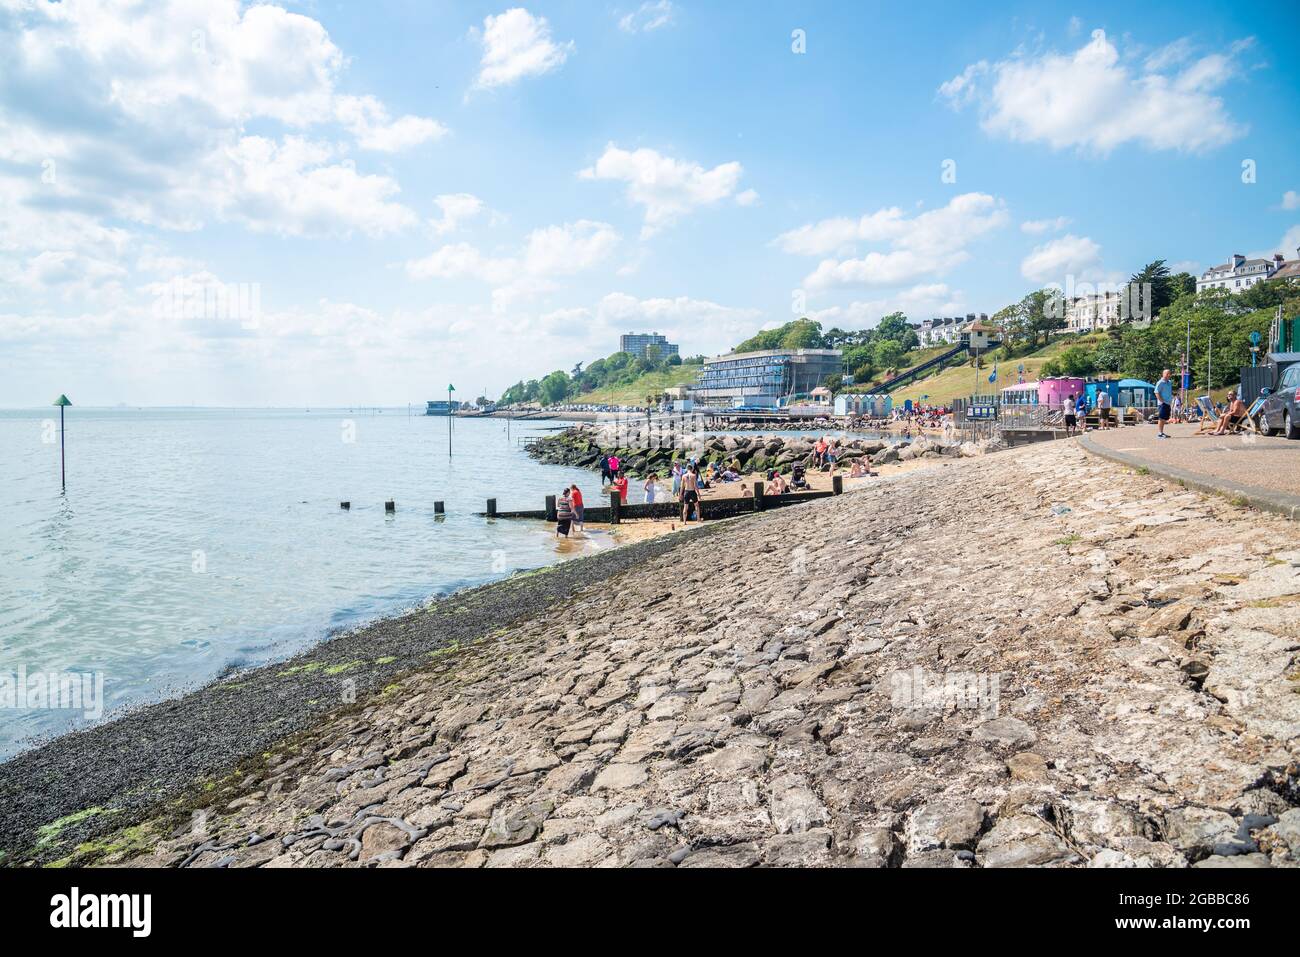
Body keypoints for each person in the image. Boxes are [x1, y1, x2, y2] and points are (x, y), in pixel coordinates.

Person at [1155, 369, 1174, 439]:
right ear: (1163, 374)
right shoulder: (1160, 382)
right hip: (1162, 403)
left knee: (1164, 419)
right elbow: (1156, 392)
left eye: (1169, 374)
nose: (1168, 375)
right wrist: (1161, 401)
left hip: (1168, 403)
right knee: (1161, 418)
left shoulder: (1169, 383)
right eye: (1167, 374)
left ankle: (1162, 432)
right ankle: (1159, 433)